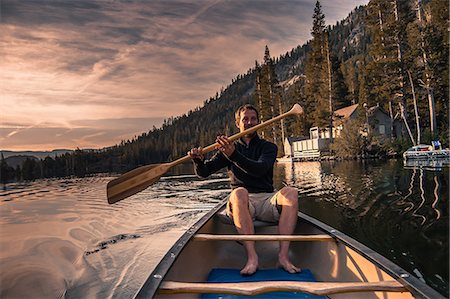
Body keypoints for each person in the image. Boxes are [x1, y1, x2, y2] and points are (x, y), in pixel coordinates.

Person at [188, 104, 300, 276]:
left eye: (253, 119)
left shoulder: (268, 147)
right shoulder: (228, 149)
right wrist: (198, 161)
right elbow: (204, 173)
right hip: (242, 203)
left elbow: (259, 169)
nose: (249, 122)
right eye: (245, 119)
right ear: (238, 123)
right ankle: (252, 258)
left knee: (291, 192)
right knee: (240, 192)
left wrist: (233, 155)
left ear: (258, 122)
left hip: (266, 200)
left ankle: (283, 256)